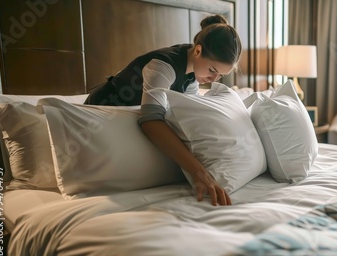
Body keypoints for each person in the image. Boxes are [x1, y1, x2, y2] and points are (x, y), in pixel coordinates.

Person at [84, 14, 242, 206]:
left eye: (220, 76)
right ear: (198, 51)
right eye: (212, 70)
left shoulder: (193, 74)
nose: (213, 79)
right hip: (100, 111)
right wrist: (200, 173)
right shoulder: (162, 65)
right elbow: (151, 121)